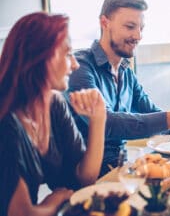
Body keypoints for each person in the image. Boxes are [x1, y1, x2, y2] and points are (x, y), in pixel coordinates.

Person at [65, 0, 170, 176]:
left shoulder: (126, 72)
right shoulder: (81, 66)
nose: (138, 36)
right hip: (88, 176)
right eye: (130, 27)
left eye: (141, 28)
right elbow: (107, 123)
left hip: (121, 167)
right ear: (105, 23)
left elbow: (152, 114)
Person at [0, 12, 106, 216]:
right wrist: (54, 201)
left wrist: (98, 118)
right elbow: (21, 213)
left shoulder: (53, 103)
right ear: (40, 56)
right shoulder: (7, 121)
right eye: (67, 54)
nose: (74, 64)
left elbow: (84, 178)